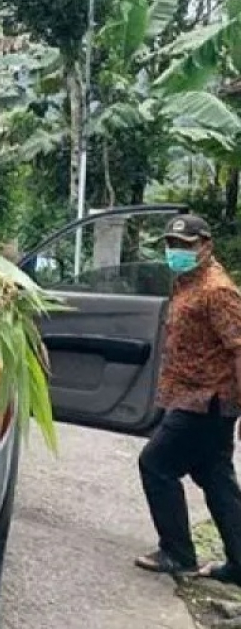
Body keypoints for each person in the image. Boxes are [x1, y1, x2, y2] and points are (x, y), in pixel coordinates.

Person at [136, 214, 241, 584]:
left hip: (205, 401)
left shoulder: (217, 291)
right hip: (189, 397)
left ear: (206, 244)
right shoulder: (185, 282)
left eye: (185, 245)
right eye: (172, 245)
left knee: (155, 464)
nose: (176, 252)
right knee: (215, 477)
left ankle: (177, 553)